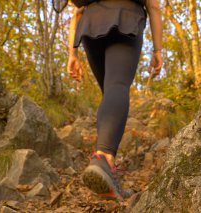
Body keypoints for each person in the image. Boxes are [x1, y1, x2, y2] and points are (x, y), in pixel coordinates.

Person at [67, 0, 163, 200]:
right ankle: (103, 158)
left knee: (110, 93)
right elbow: (153, 6)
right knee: (117, 86)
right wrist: (158, 50)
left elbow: (77, 11)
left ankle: (107, 172)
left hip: (90, 23)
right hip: (126, 17)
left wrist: (72, 53)